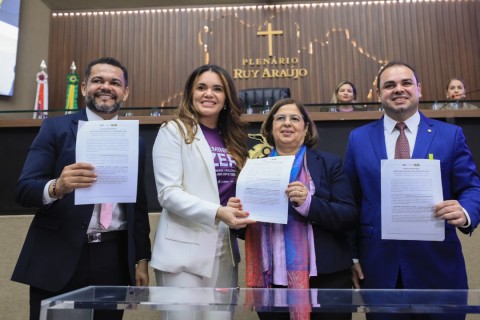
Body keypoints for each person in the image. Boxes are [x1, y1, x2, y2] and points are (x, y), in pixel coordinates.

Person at [11, 57, 151, 320]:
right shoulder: (55, 129)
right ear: (85, 87)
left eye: (114, 82)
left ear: (126, 91)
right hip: (59, 254)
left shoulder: (136, 141)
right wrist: (56, 187)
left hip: (114, 257)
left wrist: (141, 259)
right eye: (98, 81)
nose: (106, 87)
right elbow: (23, 189)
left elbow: (138, 206)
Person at [344, 61, 480, 320]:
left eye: (406, 83)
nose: (398, 89)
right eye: (389, 85)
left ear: (419, 89)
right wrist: (351, 257)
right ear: (379, 94)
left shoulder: (450, 135)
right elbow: (351, 202)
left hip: (437, 266)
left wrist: (464, 211)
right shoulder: (358, 139)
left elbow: (472, 187)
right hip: (379, 267)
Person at [150, 64, 255, 319]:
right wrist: (219, 211)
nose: (209, 94)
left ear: (226, 98)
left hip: (223, 251)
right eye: (202, 87)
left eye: (217, 89)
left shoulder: (232, 139)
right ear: (191, 93)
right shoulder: (173, 131)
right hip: (182, 254)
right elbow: (168, 193)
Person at [243, 98, 358, 320]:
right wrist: (237, 218)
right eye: (280, 118)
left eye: (295, 118)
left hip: (327, 280)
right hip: (273, 280)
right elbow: (245, 229)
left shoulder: (329, 163)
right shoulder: (254, 169)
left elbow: (348, 215)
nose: (287, 123)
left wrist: (309, 203)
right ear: (270, 128)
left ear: (305, 129)